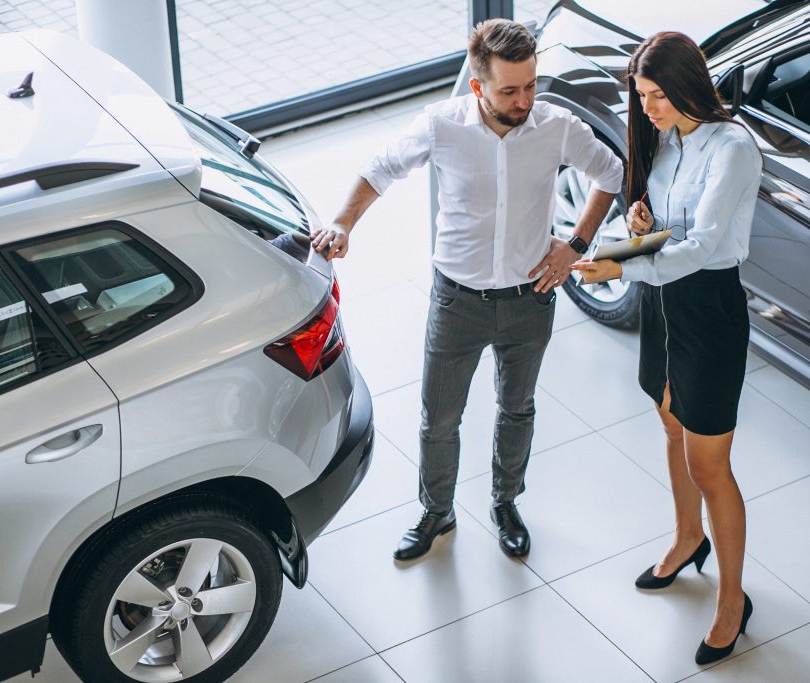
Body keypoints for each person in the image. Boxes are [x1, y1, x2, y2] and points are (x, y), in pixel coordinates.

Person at [314, 19, 622, 561]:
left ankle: (506, 503)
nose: (525, 99)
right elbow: (379, 169)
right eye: (510, 89)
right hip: (457, 301)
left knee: (517, 408)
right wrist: (342, 224)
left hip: (531, 299)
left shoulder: (556, 125)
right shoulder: (441, 125)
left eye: (531, 85)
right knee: (440, 419)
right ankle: (436, 512)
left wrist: (576, 243)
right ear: (478, 86)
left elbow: (612, 173)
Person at [571, 32, 761, 665]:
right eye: (641, 96)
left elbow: (705, 249)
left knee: (710, 465)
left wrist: (621, 268)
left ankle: (732, 601)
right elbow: (667, 234)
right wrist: (634, 236)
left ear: (683, 87)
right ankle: (687, 538)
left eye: (654, 96)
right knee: (669, 421)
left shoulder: (731, 148)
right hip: (664, 304)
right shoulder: (668, 139)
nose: (645, 108)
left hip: (708, 310)